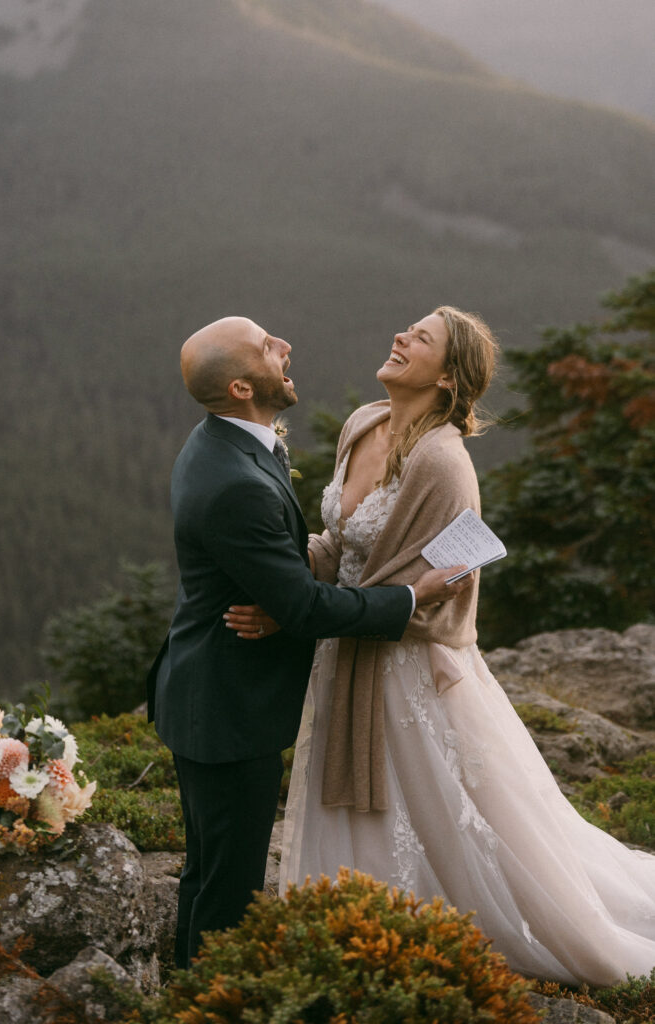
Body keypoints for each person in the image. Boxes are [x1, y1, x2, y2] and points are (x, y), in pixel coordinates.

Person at [228, 306, 655, 986]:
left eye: (419, 338)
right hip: (346, 651)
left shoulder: (442, 463)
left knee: (448, 814)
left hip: (408, 673)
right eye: (404, 328)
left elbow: (444, 600)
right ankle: (353, 924)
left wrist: (308, 616)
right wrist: (280, 588)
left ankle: (415, 932)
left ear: (448, 379)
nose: (399, 336)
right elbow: (343, 546)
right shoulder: (362, 423)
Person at [146, 315, 472, 969]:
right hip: (229, 707)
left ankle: (186, 990)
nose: (286, 345)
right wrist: (410, 597)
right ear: (241, 387)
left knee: (208, 870)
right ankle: (211, 1000)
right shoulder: (238, 477)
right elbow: (302, 604)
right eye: (268, 347)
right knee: (229, 886)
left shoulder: (226, 442)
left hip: (205, 695)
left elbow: (286, 577)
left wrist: (282, 596)